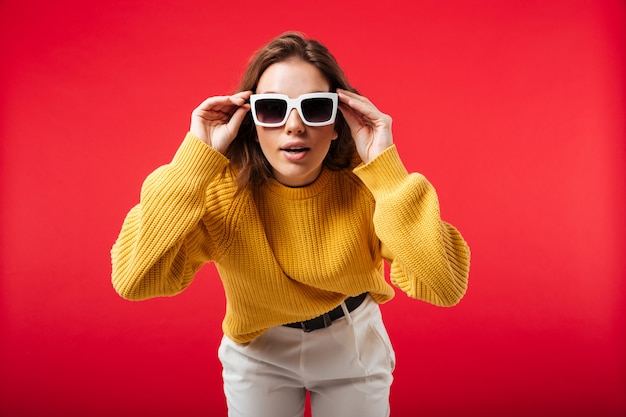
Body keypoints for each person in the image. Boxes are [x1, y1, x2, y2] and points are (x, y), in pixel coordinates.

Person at [111, 32, 470, 417]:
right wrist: (192, 163)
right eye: (272, 110)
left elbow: (443, 286)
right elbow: (135, 280)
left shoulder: (368, 186)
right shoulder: (222, 195)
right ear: (251, 123)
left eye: (315, 108)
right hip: (259, 349)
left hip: (352, 339)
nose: (294, 126)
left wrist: (388, 170)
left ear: (337, 122)